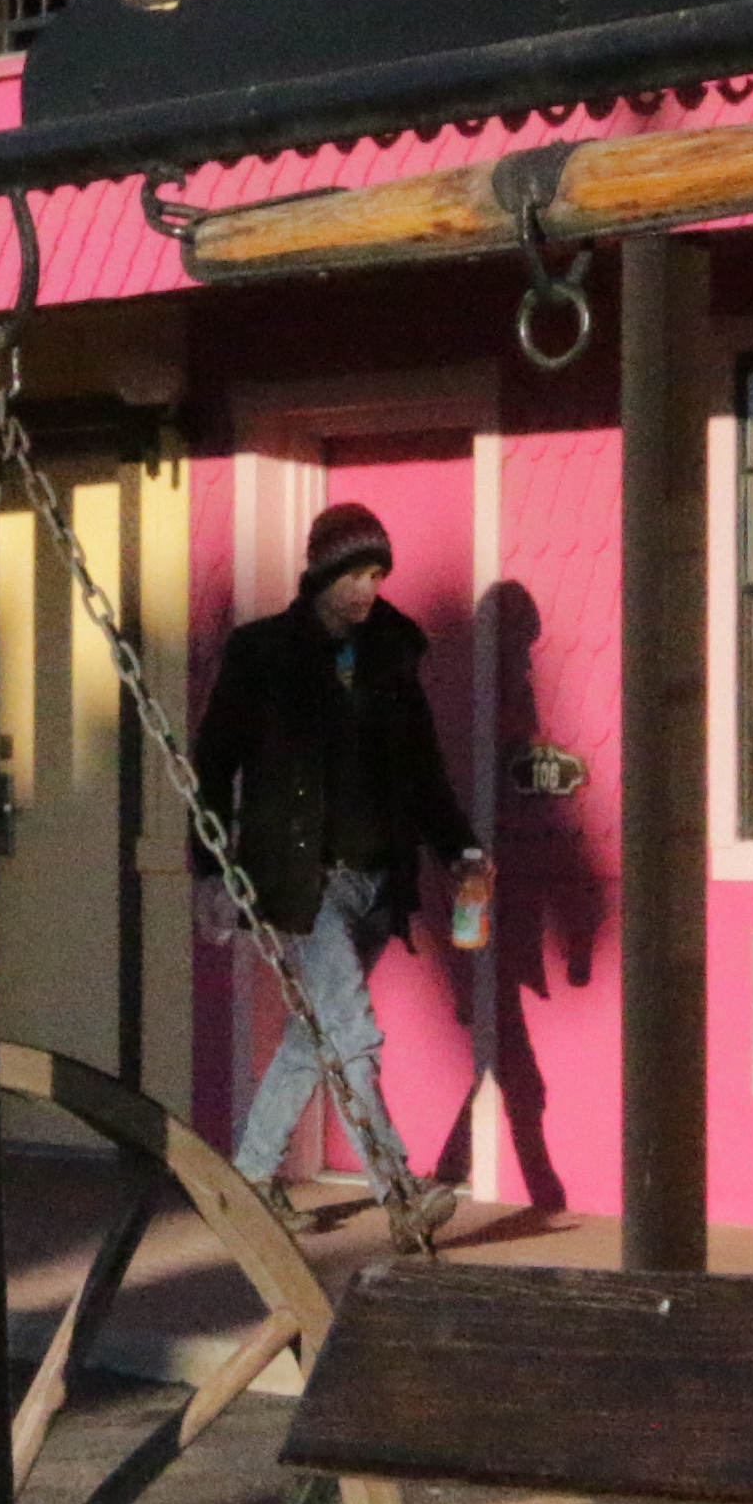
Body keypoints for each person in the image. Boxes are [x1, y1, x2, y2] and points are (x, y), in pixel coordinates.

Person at [190, 500, 487, 1227]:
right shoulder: (262, 653)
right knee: (352, 1028)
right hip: (301, 881)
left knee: (313, 1031)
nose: (367, 588)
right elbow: (212, 760)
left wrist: (461, 851)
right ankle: (399, 1193)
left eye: (378, 573)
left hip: (378, 880)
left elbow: (424, 771)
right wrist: (207, 867)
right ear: (320, 572)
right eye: (354, 572)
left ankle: (252, 1177)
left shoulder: (393, 653)